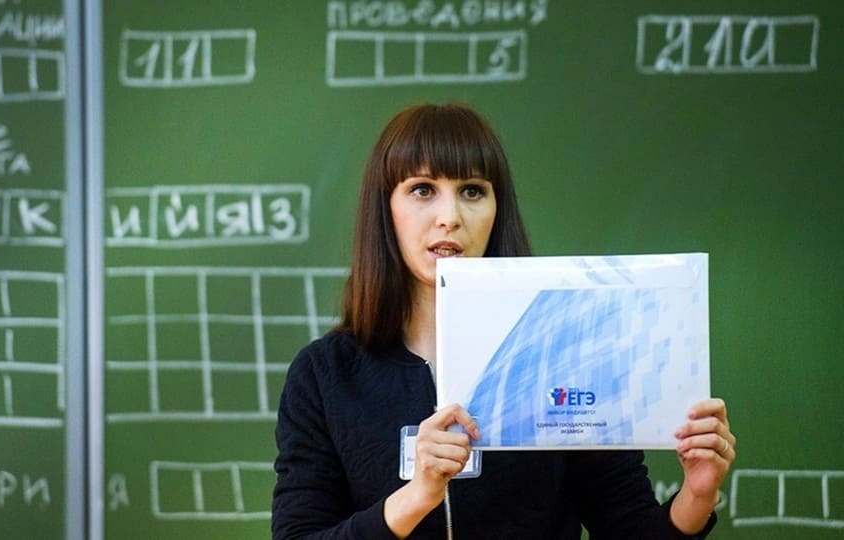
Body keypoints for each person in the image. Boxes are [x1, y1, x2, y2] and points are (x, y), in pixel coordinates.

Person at [272, 103, 736, 539]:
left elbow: (630, 528)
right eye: (423, 190)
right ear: (385, 209)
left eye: (472, 191)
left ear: (498, 209)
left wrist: (696, 496)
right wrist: (416, 496)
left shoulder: (565, 357)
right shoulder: (324, 375)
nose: (450, 217)